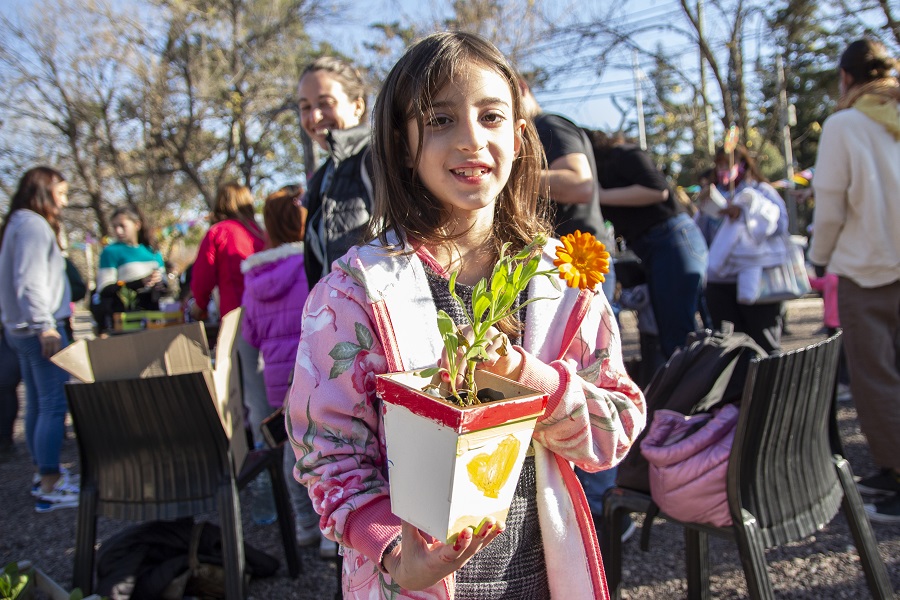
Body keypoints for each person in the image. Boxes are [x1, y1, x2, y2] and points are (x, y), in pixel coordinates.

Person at [287, 31, 645, 599]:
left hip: (544, 578)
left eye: (491, 116)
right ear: (403, 145)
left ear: (521, 137)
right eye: (439, 119)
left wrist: (535, 381)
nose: (471, 140)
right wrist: (394, 552)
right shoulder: (354, 292)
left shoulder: (567, 279)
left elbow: (616, 428)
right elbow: (325, 451)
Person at [808, 38, 900, 523]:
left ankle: (897, 474)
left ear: (845, 78)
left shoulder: (846, 124)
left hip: (870, 267)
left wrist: (820, 259)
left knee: (877, 376)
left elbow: (831, 202)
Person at [238, 186, 321, 550]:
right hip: (312, 375)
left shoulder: (255, 278)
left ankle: (303, 523)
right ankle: (326, 532)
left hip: (277, 384)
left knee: (292, 453)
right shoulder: (312, 266)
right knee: (322, 452)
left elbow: (250, 334)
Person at [587, 129, 709, 361]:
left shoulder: (623, 153)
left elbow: (658, 190)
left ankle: (696, 392)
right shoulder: (603, 171)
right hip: (657, 245)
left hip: (673, 238)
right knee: (669, 331)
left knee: (678, 334)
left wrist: (599, 195)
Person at [0, 166, 79, 512]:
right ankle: (50, 482)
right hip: (39, 329)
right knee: (52, 403)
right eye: (61, 193)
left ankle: (43, 472)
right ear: (44, 191)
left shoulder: (17, 224)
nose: (64, 201)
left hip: (22, 329)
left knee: (37, 401)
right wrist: (45, 325)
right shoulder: (32, 225)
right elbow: (29, 280)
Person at [190, 182, 267, 444]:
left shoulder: (219, 232)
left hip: (238, 319)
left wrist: (198, 306)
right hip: (268, 317)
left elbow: (202, 279)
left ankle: (256, 449)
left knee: (247, 389)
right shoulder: (260, 233)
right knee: (266, 384)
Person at [703, 144, 789, 355]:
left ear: (742, 164)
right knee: (729, 348)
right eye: (720, 164)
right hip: (720, 281)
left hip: (757, 278)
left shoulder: (761, 191)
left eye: (728, 163)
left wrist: (746, 213)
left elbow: (781, 225)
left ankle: (771, 386)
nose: (723, 168)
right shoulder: (713, 193)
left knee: (764, 342)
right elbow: (703, 235)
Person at [298, 56, 373, 290]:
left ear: (357, 106)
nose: (315, 117)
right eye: (306, 107)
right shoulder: (322, 178)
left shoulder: (377, 157)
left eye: (325, 103)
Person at [90, 205, 166, 334]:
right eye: (114, 227)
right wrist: (139, 283)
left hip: (153, 318)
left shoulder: (153, 251)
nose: (118, 231)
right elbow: (104, 289)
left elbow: (165, 284)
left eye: (122, 226)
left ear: (137, 225)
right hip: (125, 320)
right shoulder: (110, 252)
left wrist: (161, 284)